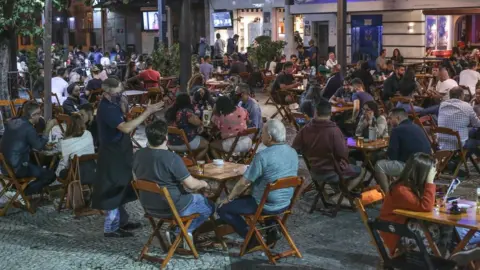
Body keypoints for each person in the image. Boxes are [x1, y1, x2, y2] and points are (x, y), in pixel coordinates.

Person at [91, 78, 164, 238]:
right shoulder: (107, 108)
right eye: (118, 92)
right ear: (108, 92)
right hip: (112, 153)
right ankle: (111, 227)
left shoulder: (114, 103)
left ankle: (122, 220)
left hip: (120, 150)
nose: (120, 95)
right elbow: (125, 127)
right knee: (113, 187)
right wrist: (147, 112)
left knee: (122, 185)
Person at [218, 119, 298, 247]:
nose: (261, 136)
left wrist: (229, 198)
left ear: (270, 137)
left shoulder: (263, 156)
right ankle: (271, 228)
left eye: (263, 133)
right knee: (248, 197)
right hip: (285, 203)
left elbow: (244, 182)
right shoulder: (292, 152)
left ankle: (252, 238)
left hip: (265, 205)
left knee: (223, 208)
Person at [133, 120, 213, 244]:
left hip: (149, 206)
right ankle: (180, 233)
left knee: (195, 199)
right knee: (209, 205)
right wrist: (204, 184)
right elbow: (191, 185)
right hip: (173, 206)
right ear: (166, 137)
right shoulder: (171, 158)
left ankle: (182, 231)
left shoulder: (138, 155)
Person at [293, 99, 365, 194]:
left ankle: (339, 190)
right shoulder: (334, 131)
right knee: (361, 170)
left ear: (316, 112)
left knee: (348, 162)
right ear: (330, 114)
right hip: (332, 172)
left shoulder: (305, 129)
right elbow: (343, 154)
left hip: (314, 170)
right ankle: (342, 195)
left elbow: (295, 147)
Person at [378, 153, 439, 255]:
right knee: (434, 230)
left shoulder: (411, 185)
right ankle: (432, 261)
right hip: (394, 231)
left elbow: (427, 203)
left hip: (406, 224)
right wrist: (430, 182)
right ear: (422, 173)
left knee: (446, 227)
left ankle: (448, 259)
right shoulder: (401, 190)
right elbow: (426, 207)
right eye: (430, 173)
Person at [0, 101, 57, 196]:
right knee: (50, 175)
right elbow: (38, 146)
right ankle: (21, 193)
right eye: (39, 113)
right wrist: (48, 128)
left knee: (35, 163)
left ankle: (17, 189)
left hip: (5, 167)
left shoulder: (12, 122)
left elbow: (21, 140)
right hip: (18, 168)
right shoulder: (29, 128)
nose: (41, 116)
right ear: (33, 115)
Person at [374, 108, 432, 192]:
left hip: (412, 167)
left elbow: (392, 156)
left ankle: (388, 196)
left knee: (379, 165)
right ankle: (397, 188)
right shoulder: (416, 126)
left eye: (390, 118)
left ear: (397, 118)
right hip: (427, 165)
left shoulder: (397, 130)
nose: (388, 121)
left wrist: (384, 154)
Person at [165, 93, 209, 160]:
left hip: (169, 143)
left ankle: (188, 159)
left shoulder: (171, 111)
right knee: (206, 144)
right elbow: (198, 123)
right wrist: (200, 122)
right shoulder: (186, 112)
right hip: (183, 143)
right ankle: (195, 164)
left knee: (197, 139)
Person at [437, 86, 480, 151]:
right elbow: (477, 124)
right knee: (477, 140)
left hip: (442, 141)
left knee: (472, 131)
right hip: (458, 143)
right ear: (461, 96)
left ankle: (459, 157)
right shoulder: (466, 106)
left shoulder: (442, 105)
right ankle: (462, 158)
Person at [55, 113, 96, 181]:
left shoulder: (66, 141)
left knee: (60, 171)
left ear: (69, 125)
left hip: (76, 175)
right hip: (93, 171)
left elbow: (65, 163)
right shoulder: (88, 133)